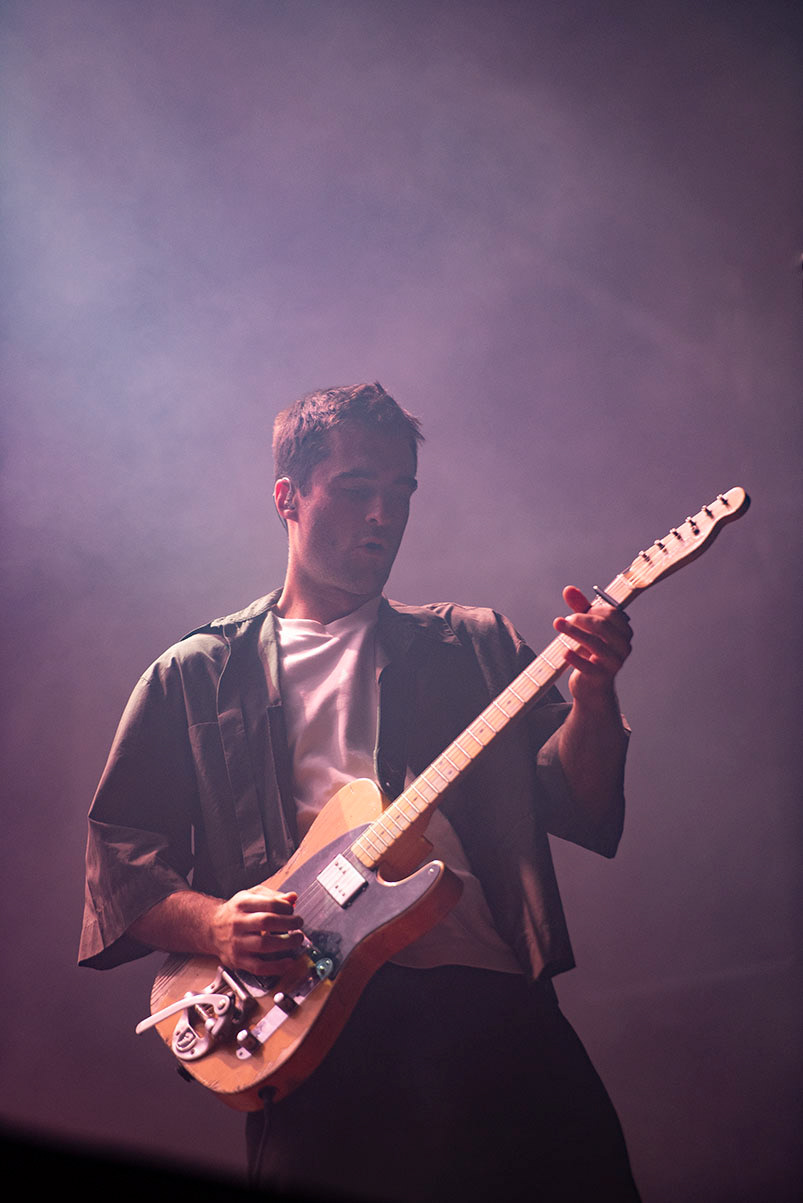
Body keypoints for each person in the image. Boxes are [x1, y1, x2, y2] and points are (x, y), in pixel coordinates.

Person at [80, 382, 641, 1202]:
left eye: (399, 491)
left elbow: (578, 801)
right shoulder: (194, 675)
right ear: (287, 497)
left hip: (496, 1013)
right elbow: (120, 865)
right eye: (354, 488)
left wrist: (593, 694)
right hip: (316, 1027)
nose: (383, 514)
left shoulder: (475, 644)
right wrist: (217, 923)